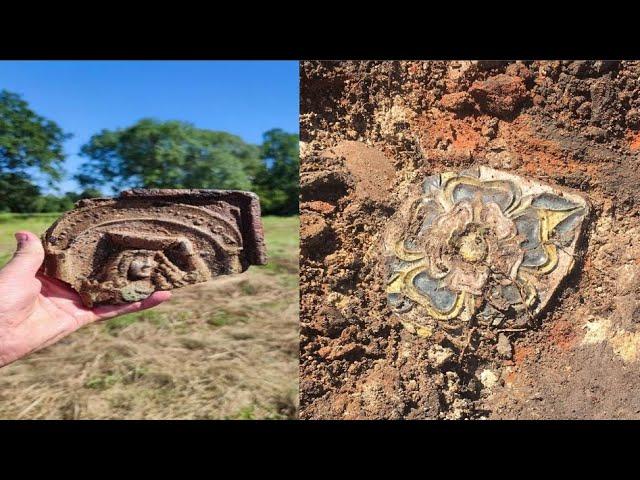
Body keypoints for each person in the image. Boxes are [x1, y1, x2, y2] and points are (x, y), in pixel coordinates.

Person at [0, 231, 171, 368]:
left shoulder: (142, 285)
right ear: (122, 263)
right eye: (143, 262)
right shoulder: (104, 285)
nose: (149, 266)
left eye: (152, 263)